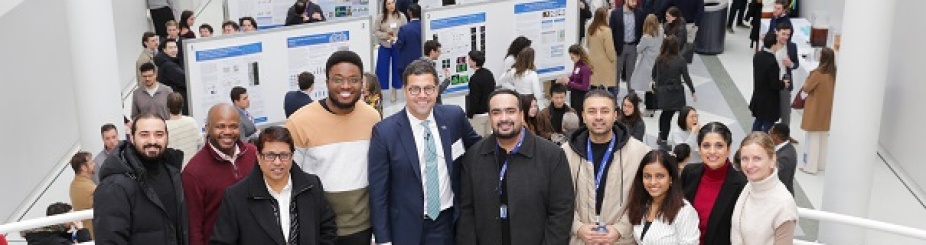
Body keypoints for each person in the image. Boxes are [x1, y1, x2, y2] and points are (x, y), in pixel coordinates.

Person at [368, 59, 482, 245]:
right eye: (415, 89)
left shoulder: (453, 118)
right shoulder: (385, 133)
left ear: (437, 90)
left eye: (428, 88)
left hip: (448, 223)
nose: (422, 95)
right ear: (405, 91)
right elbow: (378, 192)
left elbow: (479, 149)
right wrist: (383, 239)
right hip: (405, 229)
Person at [285, 50, 381, 244]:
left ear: (362, 83)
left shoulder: (372, 117)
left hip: (362, 227)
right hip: (319, 229)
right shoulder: (299, 122)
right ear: (327, 82)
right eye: (338, 79)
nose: (346, 86)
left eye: (353, 79)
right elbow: (289, 180)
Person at [456, 89, 574, 244]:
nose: (504, 118)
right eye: (496, 112)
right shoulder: (472, 157)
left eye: (510, 111)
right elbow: (466, 213)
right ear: (490, 117)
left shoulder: (552, 156)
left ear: (521, 114)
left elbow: (561, 212)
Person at [210, 126, 338, 244]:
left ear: (292, 156)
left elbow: (327, 229)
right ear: (259, 157)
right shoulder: (236, 197)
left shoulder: (312, 186)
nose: (277, 162)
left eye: (284, 155)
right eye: (270, 155)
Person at [564, 90, 651, 244]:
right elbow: (556, 199)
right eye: (592, 111)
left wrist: (621, 229)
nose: (598, 117)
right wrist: (577, 227)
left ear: (615, 115)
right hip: (579, 240)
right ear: (583, 116)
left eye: (605, 111)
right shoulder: (564, 153)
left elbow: (648, 198)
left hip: (622, 240)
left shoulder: (641, 153)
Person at [94, 113, 187, 245]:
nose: (152, 141)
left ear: (167, 137)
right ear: (132, 138)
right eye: (144, 134)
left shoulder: (174, 174)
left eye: (159, 134)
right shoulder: (113, 186)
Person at [182, 103, 258, 245]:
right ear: (207, 128)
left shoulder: (253, 154)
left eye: (233, 126)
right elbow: (194, 227)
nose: (228, 132)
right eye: (220, 126)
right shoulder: (193, 172)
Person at [679, 122, 747, 245]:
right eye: (706, 146)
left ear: (729, 148)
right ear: (699, 149)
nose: (712, 151)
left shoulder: (741, 185)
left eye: (719, 146)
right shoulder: (689, 173)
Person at [730, 132, 799, 244]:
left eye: (757, 158)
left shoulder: (784, 205)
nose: (749, 165)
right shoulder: (750, 186)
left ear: (772, 160)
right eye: (745, 159)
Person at [624, 150, 700, 244]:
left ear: (671, 178)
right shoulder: (642, 204)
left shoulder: (684, 212)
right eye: (647, 176)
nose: (653, 182)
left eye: (659, 176)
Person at [653, 36, 696, 147]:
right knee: (670, 115)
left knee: (665, 114)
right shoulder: (680, 60)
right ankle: (665, 139)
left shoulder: (660, 59)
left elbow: (654, 74)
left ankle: (662, 136)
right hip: (675, 92)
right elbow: (686, 77)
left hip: (663, 91)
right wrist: (693, 90)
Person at [801, 47, 837, 175]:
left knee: (813, 139)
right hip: (827, 110)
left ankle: (810, 167)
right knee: (823, 138)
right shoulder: (834, 73)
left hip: (815, 110)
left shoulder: (817, 74)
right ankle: (821, 165)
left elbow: (806, 89)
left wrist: (807, 80)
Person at [750, 34, 787, 132]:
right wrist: (783, 84)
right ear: (773, 45)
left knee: (758, 121)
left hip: (758, 94)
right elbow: (774, 84)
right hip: (769, 100)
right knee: (768, 124)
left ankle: (752, 139)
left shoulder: (758, 56)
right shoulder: (772, 62)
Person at [374, 0, 408, 101]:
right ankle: (380, 91)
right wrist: (385, 35)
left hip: (397, 46)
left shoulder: (401, 16)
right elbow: (376, 31)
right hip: (385, 46)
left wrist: (398, 38)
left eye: (392, 3)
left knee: (397, 68)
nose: (391, 5)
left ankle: (394, 91)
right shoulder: (380, 18)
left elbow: (405, 30)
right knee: (381, 69)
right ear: (385, 5)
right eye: (388, 3)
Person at [610, 0, 645, 94]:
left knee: (631, 72)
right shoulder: (615, 14)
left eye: (636, 1)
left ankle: (631, 95)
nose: (635, 3)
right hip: (619, 47)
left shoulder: (640, 13)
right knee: (616, 72)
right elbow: (611, 31)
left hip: (633, 46)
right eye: (633, 1)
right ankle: (614, 95)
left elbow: (642, 29)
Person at [20, 202, 93, 245]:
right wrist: (82, 230)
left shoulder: (39, 236)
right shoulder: (58, 242)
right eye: (71, 217)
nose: (73, 221)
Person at [393, 3, 423, 102]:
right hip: (422, 60)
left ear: (410, 14)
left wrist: (394, 42)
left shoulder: (404, 29)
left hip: (407, 62)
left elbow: (399, 44)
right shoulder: (425, 25)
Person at [556, 44, 592, 125]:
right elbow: (573, 77)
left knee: (580, 116)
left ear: (579, 55)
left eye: (573, 57)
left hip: (581, 96)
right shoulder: (577, 65)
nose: (572, 59)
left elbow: (585, 87)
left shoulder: (585, 68)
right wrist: (564, 79)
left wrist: (569, 83)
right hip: (574, 94)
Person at [166, 92, 203, 168]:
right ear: (182, 105)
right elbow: (200, 142)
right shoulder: (192, 121)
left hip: (175, 169)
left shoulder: (164, 126)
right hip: (192, 166)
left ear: (167, 107)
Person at [587, 7, 618, 95]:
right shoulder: (606, 31)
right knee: (609, 86)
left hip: (593, 60)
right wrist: (613, 59)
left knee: (593, 85)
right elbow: (609, 49)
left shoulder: (590, 29)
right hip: (605, 63)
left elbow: (588, 44)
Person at [630, 14, 663, 96]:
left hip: (648, 62)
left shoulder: (646, 37)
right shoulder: (661, 31)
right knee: (656, 82)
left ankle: (649, 103)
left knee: (647, 84)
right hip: (658, 59)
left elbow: (639, 49)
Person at [465, 50, 496, 137]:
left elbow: (474, 98)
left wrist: (470, 114)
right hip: (489, 111)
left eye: (469, 59)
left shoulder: (474, 79)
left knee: (478, 141)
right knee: (488, 139)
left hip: (478, 115)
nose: (468, 61)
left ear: (474, 62)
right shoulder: (489, 73)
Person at [774, 23, 800, 126]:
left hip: (785, 83)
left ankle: (785, 136)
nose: (785, 37)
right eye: (783, 34)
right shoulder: (770, 45)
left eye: (788, 35)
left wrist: (791, 64)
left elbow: (796, 64)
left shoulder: (792, 47)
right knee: (771, 112)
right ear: (777, 32)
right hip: (772, 83)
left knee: (786, 112)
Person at [155, 38, 188, 115]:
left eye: (175, 47)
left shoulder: (169, 62)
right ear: (164, 50)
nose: (174, 50)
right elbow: (184, 80)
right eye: (170, 48)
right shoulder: (169, 65)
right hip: (175, 101)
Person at [68, 151, 96, 238]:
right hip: (94, 234)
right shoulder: (89, 188)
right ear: (84, 168)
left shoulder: (74, 185)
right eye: (91, 163)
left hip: (86, 233)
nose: (94, 164)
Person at [421, 40, 453, 104]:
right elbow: (437, 90)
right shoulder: (429, 68)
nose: (440, 53)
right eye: (438, 51)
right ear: (432, 51)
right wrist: (447, 79)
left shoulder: (420, 64)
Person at [769, 123, 796, 195]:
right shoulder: (784, 148)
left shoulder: (784, 158)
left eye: (770, 133)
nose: (769, 135)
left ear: (776, 136)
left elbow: (781, 181)